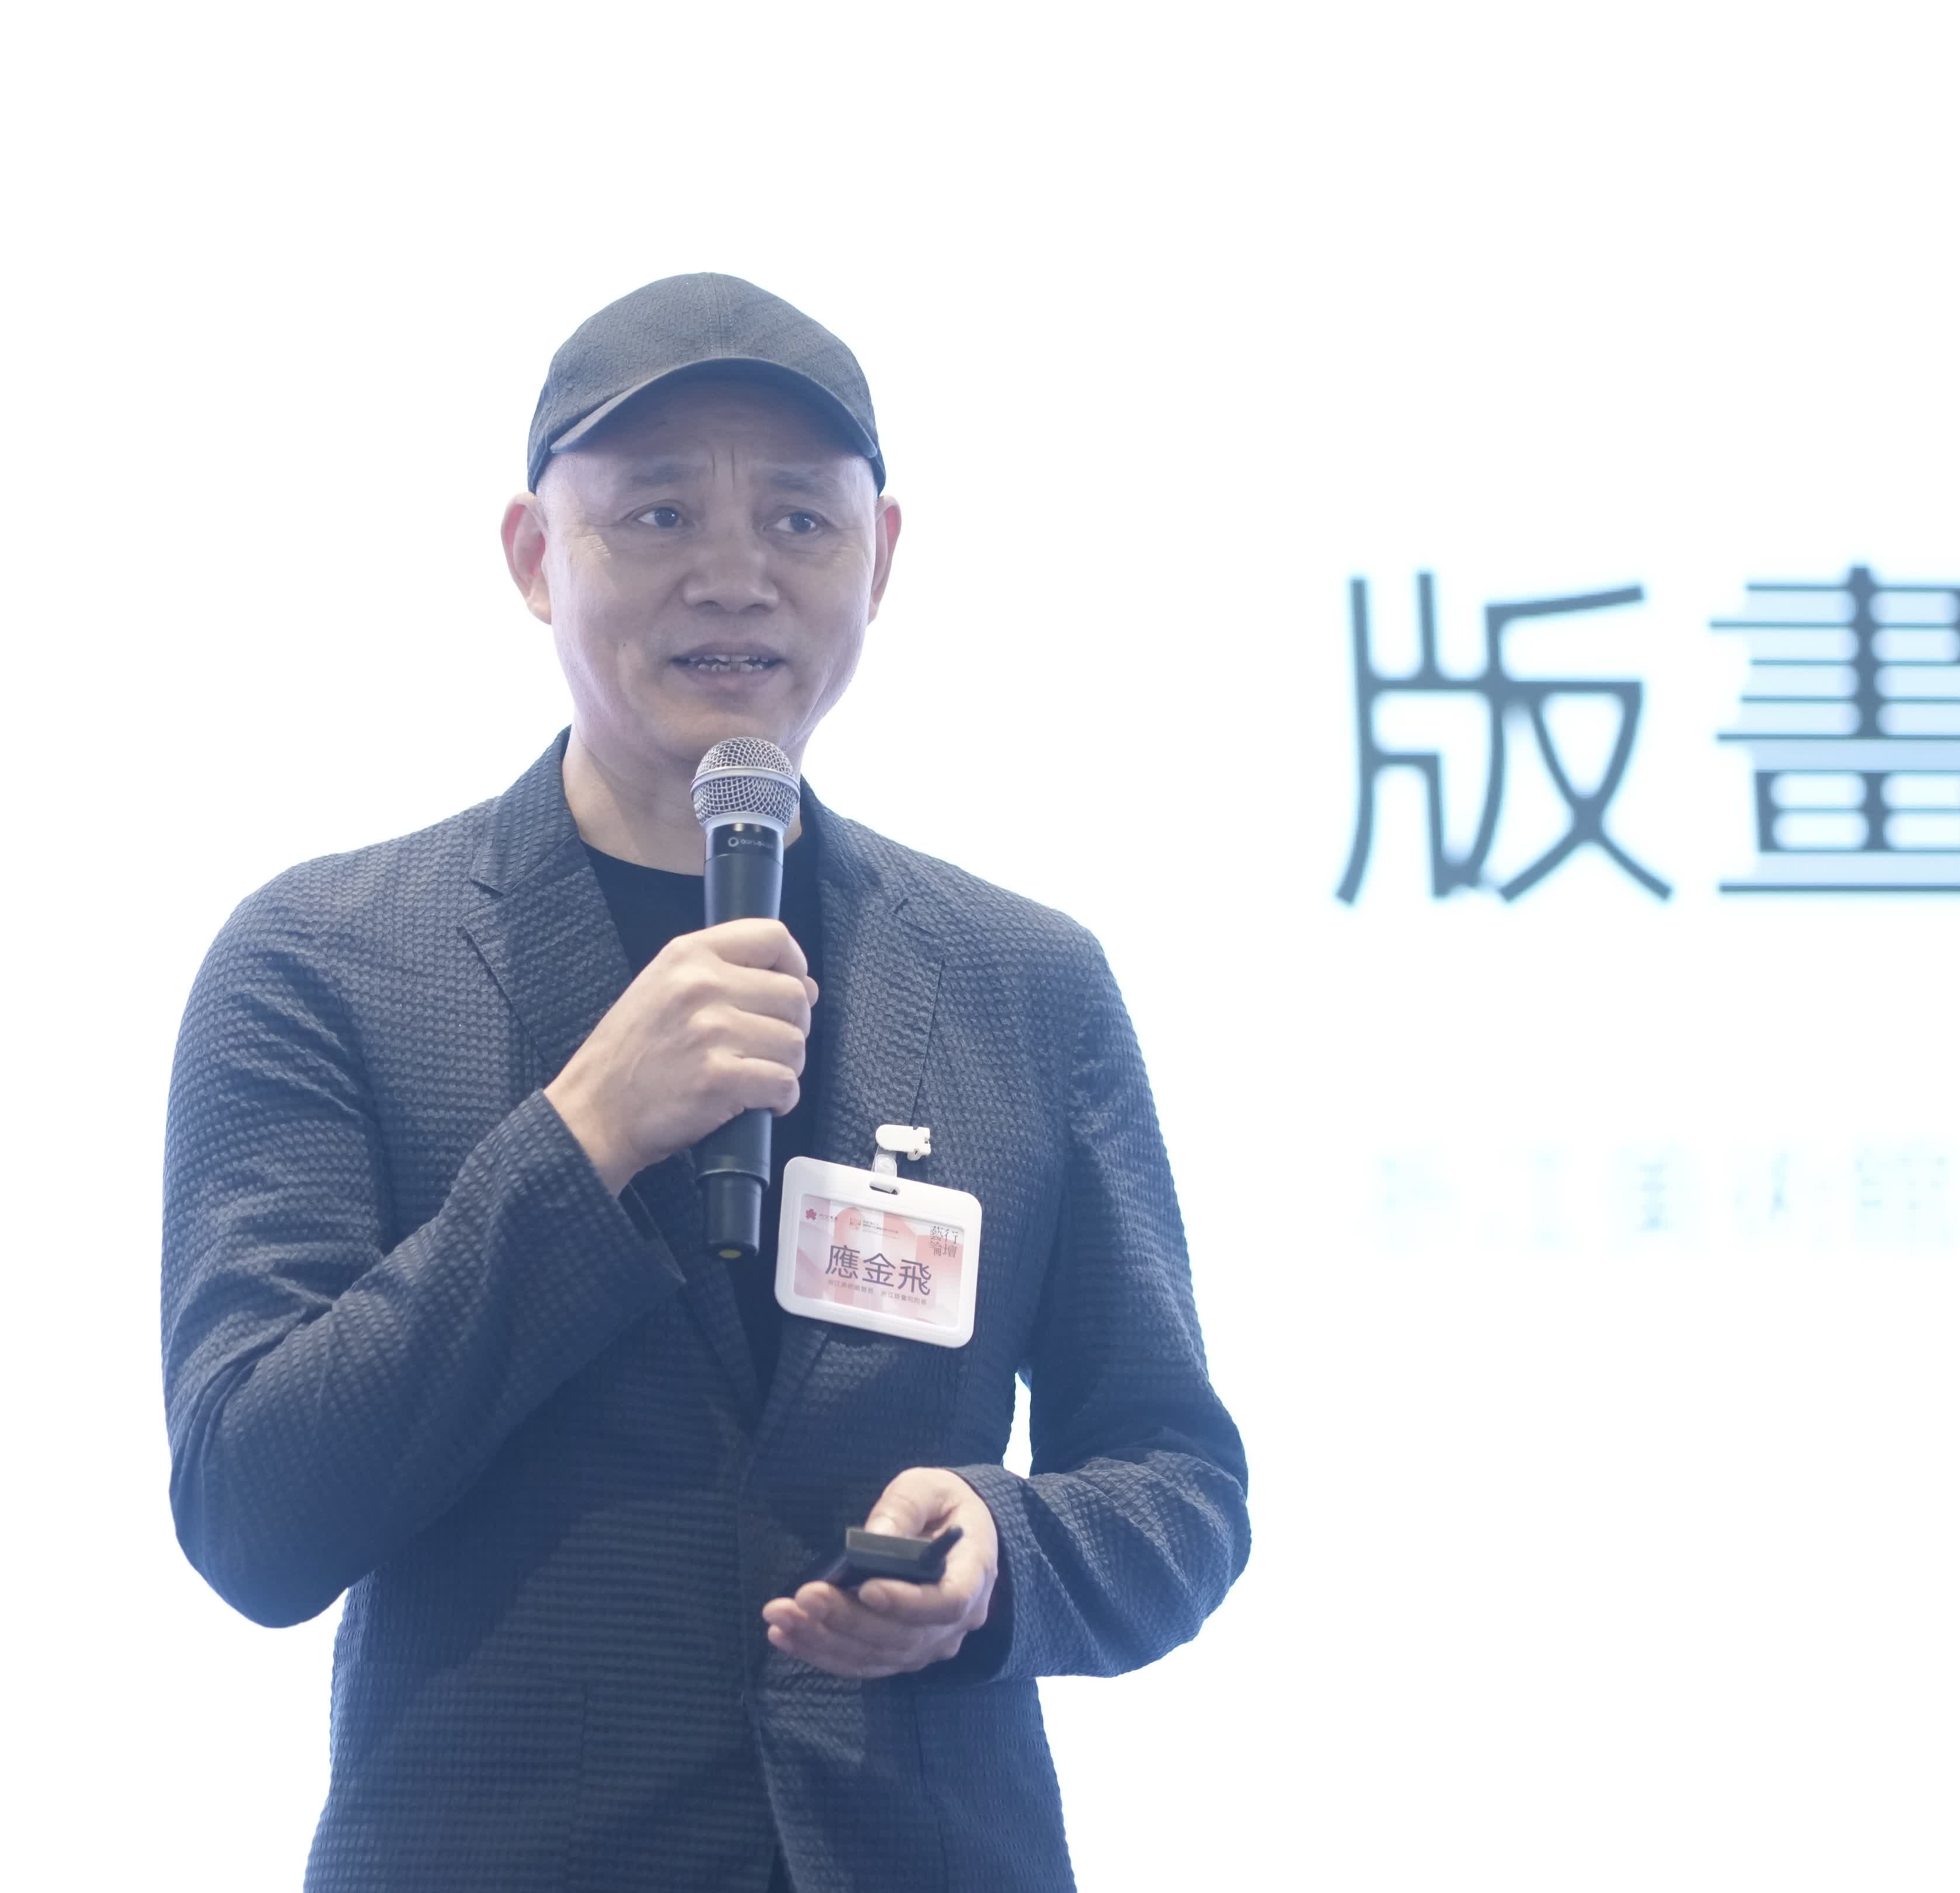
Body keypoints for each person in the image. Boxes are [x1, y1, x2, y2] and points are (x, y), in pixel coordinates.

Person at [161, 273, 1249, 1893]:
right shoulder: (326, 956)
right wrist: (582, 1139)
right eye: (659, 514)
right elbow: (256, 1512)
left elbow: (1179, 1481)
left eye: (801, 522)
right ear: (536, 554)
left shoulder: (1022, 980)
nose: (735, 576)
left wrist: (1005, 1554)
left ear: (882, 557)